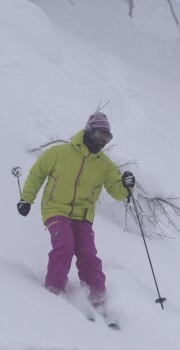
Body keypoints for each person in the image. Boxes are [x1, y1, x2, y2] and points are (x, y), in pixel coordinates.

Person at [16, 112, 135, 311]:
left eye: (106, 138)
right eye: (99, 135)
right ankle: (53, 290)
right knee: (64, 246)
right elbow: (37, 175)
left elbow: (118, 192)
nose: (102, 142)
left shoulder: (105, 165)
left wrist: (127, 185)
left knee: (88, 254)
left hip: (83, 216)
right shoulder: (59, 153)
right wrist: (26, 199)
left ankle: (98, 300)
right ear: (89, 131)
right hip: (55, 209)